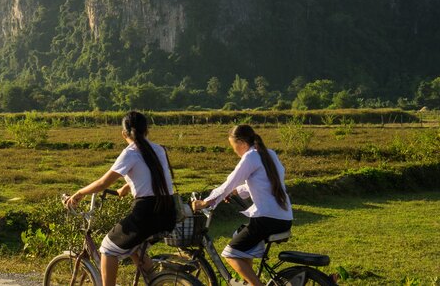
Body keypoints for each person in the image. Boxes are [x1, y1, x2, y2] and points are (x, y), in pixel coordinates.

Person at [64, 111, 176, 286]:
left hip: (146, 213)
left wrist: (79, 193)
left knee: (108, 249)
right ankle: (155, 281)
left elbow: (102, 183)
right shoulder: (159, 149)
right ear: (147, 131)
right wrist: (127, 186)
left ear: (124, 134)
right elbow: (152, 174)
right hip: (168, 211)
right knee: (134, 246)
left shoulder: (130, 153)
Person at [191, 125, 293, 286]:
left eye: (233, 147)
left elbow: (227, 185)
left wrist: (205, 202)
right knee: (240, 237)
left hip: (267, 219)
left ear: (242, 143)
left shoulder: (250, 157)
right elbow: (263, 184)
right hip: (284, 218)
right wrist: (237, 192)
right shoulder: (269, 154)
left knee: (230, 254)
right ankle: (248, 281)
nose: (235, 151)